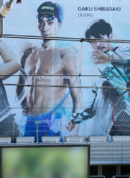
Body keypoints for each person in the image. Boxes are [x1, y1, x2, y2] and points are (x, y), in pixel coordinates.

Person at [16, 1, 82, 139]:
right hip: (31, 120)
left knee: (52, 153)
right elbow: (20, 86)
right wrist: (25, 108)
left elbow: (77, 96)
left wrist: (75, 119)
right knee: (28, 152)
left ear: (59, 24)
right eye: (41, 22)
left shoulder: (66, 54)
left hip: (54, 120)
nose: (44, 27)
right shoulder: (28, 54)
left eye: (50, 22)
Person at [70, 19, 130, 136]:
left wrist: (109, 58)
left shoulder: (125, 52)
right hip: (115, 124)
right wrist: (75, 119)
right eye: (92, 42)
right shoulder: (97, 71)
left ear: (110, 36)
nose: (97, 45)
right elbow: (95, 106)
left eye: (100, 38)